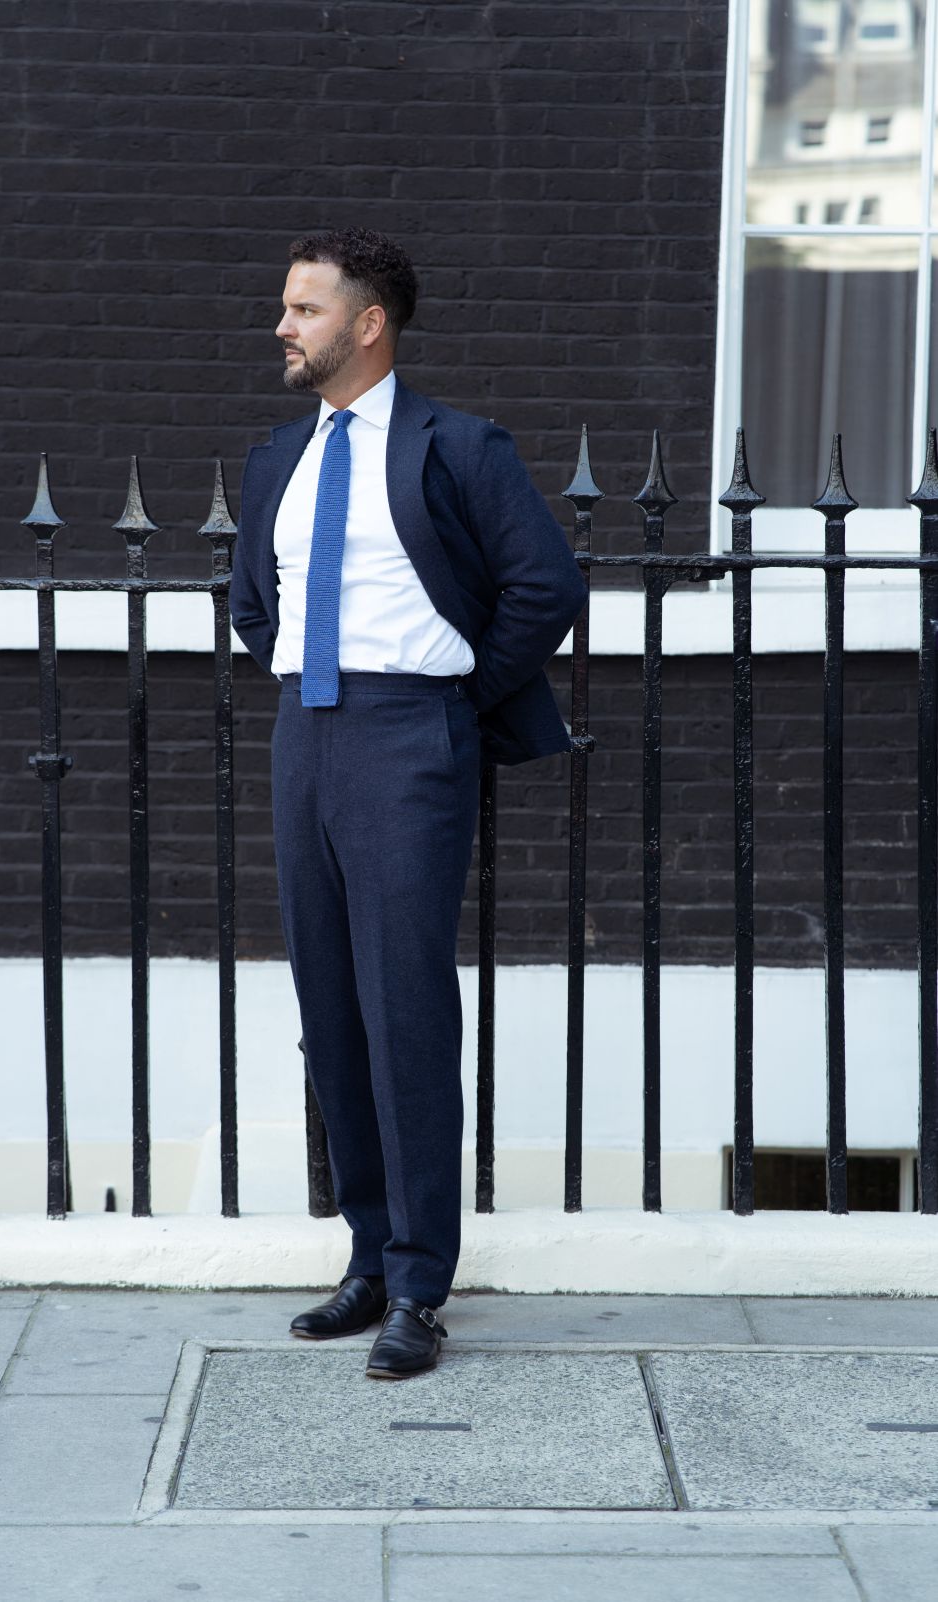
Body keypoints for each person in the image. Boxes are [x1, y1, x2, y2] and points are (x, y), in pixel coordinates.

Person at [229, 227, 587, 1380]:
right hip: (305, 731)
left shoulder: (459, 446)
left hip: (410, 733)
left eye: (304, 309)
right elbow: (253, 604)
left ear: (366, 323)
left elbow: (547, 584)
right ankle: (370, 1255)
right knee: (330, 1009)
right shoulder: (276, 459)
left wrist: (457, 701)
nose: (283, 327)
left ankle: (423, 1285)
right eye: (286, 309)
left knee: (405, 1008)